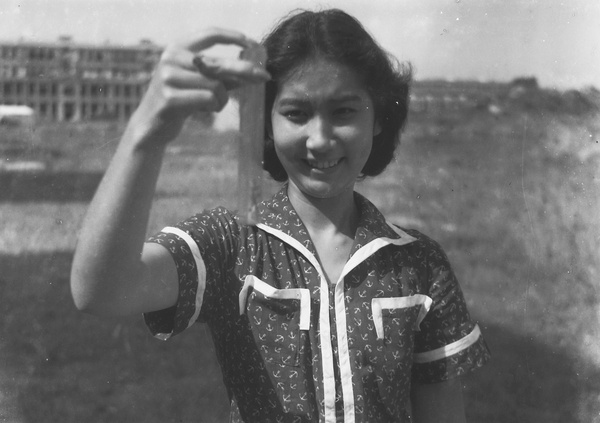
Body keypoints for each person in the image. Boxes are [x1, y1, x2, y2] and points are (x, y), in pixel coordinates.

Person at [71, 8, 490, 423]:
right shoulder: (232, 245)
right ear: (266, 123)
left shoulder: (420, 263)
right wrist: (147, 131)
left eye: (344, 111)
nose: (320, 139)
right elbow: (102, 290)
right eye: (296, 113)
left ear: (378, 118)